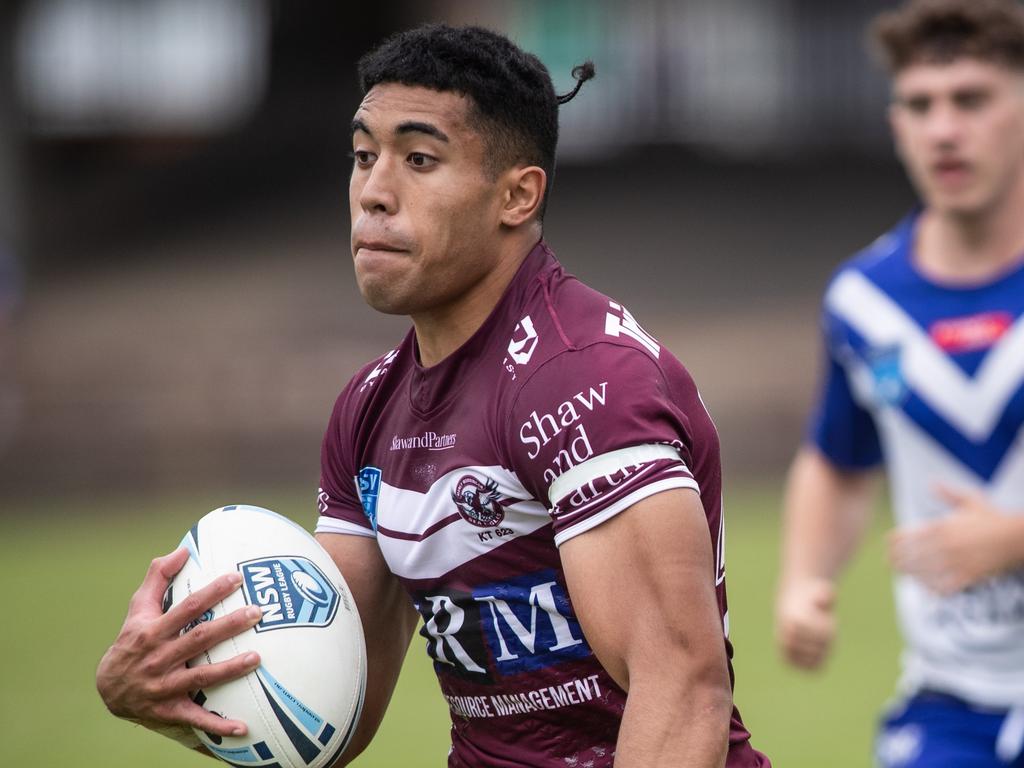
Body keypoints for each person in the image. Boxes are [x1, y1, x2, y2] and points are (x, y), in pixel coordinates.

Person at [96, 24, 769, 767]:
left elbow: (682, 688)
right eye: (362, 157)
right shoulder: (369, 408)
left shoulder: (581, 379)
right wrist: (174, 694)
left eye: (419, 160)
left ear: (517, 195)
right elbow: (333, 713)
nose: (375, 193)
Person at [775, 1, 1024, 766]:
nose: (944, 128)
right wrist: (803, 581)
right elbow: (838, 460)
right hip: (950, 705)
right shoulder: (863, 302)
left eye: (972, 99)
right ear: (896, 125)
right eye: (920, 105)